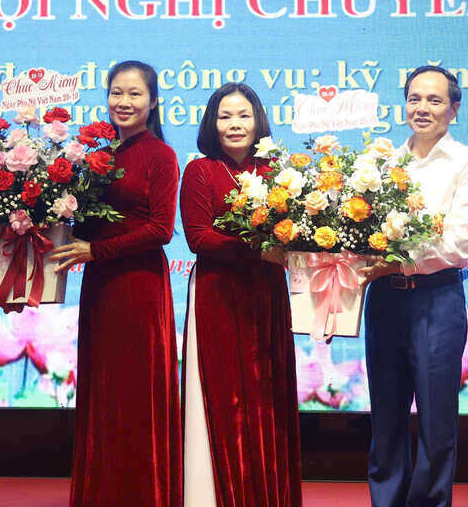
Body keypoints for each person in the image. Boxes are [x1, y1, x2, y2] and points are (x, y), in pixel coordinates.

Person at [51, 60, 182, 507]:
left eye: (135, 93)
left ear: (153, 101)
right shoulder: (97, 155)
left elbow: (160, 230)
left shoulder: (161, 155)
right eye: (116, 93)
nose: (123, 102)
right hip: (100, 287)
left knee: (135, 396)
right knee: (103, 394)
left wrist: (96, 251)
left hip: (139, 289)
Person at [358, 65, 468, 507]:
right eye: (414, 99)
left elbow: (458, 242)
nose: (422, 108)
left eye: (434, 100)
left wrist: (393, 261)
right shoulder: (380, 165)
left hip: (437, 300)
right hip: (385, 301)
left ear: (454, 109)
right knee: (386, 419)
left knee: (436, 423)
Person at [178, 83, 302, 507]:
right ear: (212, 123)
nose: (235, 124)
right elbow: (198, 238)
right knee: (223, 398)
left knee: (268, 397)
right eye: (225, 116)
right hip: (217, 294)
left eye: (244, 115)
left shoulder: (276, 172)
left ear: (258, 121)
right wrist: (258, 249)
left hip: (267, 293)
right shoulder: (200, 171)